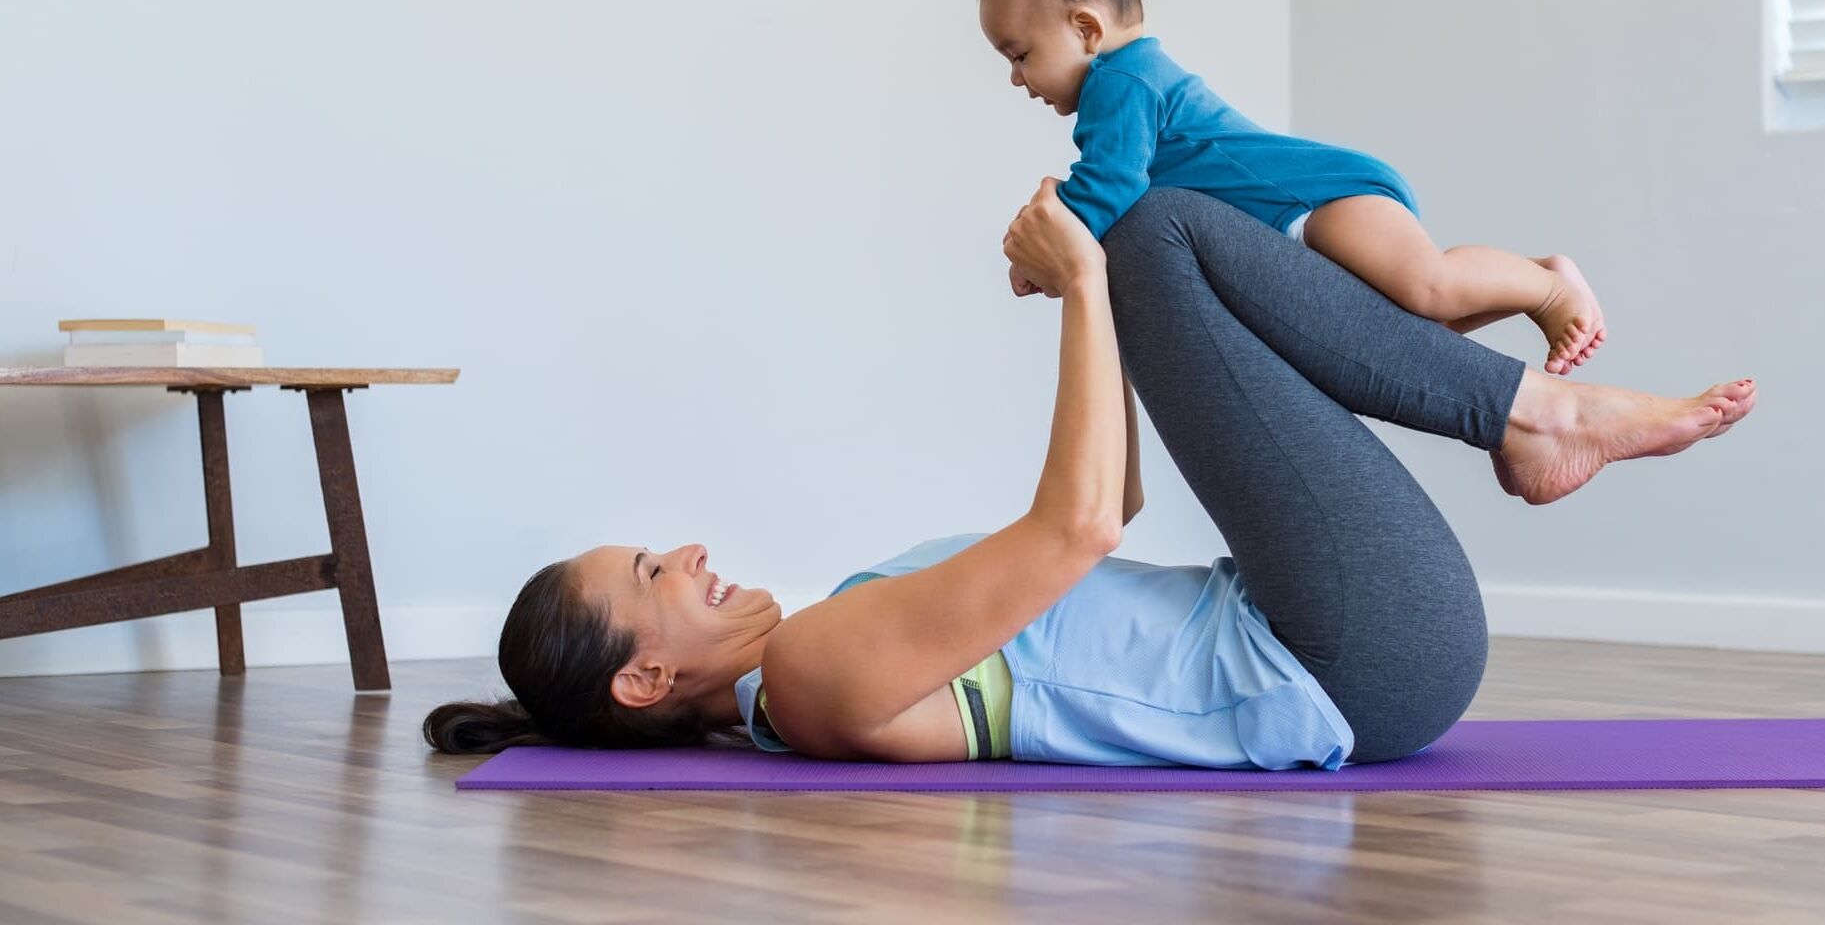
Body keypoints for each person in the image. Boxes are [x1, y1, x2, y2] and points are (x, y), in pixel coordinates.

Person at [425, 179, 1754, 767]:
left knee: (1170, 240)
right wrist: (1085, 287)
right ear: (643, 676)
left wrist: (1097, 299)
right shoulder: (818, 671)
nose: (694, 553)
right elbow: (1070, 535)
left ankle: (1526, 416)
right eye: (657, 574)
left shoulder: (828, 640)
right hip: (1347, 661)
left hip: (1335, 640)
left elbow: (1103, 508)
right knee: (1163, 230)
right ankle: (1533, 417)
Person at [981, 0, 1607, 376]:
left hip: (1320, 198)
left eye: (1021, 55)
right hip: (1303, 215)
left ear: (1086, 28)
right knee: (1415, 330)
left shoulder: (1118, 81)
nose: (1016, 77)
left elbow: (1110, 183)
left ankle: (1548, 283)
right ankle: (1526, 335)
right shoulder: (1132, 77)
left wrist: (1043, 256)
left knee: (1430, 287)